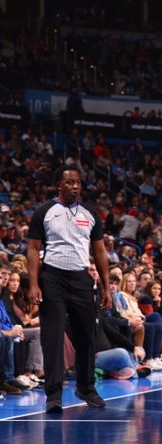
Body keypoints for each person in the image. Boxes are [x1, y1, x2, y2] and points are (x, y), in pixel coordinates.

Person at [27, 165, 111, 413]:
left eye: (78, 183)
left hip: (81, 279)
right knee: (52, 337)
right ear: (59, 186)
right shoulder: (44, 212)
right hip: (52, 277)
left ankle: (86, 387)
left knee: (87, 335)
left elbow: (99, 251)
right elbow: (33, 249)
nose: (75, 186)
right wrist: (33, 284)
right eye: (70, 182)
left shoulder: (90, 213)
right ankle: (53, 395)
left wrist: (106, 288)